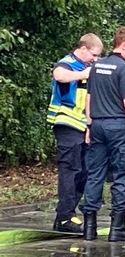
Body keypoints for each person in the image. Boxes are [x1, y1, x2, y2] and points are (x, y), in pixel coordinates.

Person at [81, 28, 125, 242]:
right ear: (124, 44)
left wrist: (89, 127)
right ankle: (117, 227)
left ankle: (89, 229)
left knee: (95, 175)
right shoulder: (123, 68)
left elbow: (88, 99)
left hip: (98, 125)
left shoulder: (95, 66)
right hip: (118, 127)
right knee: (121, 175)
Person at [47, 33, 103, 234]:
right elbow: (59, 75)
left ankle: (69, 214)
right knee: (70, 170)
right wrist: (85, 74)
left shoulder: (86, 66)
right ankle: (64, 217)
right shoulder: (68, 63)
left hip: (82, 126)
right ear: (83, 48)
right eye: (94, 55)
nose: (95, 60)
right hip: (66, 123)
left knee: (84, 171)